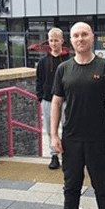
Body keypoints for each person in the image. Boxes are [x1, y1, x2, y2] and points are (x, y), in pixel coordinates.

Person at [48, 22, 105, 209]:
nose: (80, 39)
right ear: (70, 41)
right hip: (71, 138)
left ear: (92, 37)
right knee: (71, 185)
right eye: (76, 35)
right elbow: (56, 102)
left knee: (102, 185)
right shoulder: (64, 69)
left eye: (84, 34)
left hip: (99, 137)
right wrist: (53, 135)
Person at [36, 28, 71, 169]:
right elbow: (39, 80)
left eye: (56, 40)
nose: (54, 43)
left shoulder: (69, 61)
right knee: (51, 129)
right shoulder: (43, 62)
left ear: (62, 41)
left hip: (66, 101)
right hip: (48, 100)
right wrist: (40, 96)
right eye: (51, 40)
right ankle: (54, 155)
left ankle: (67, 155)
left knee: (67, 129)